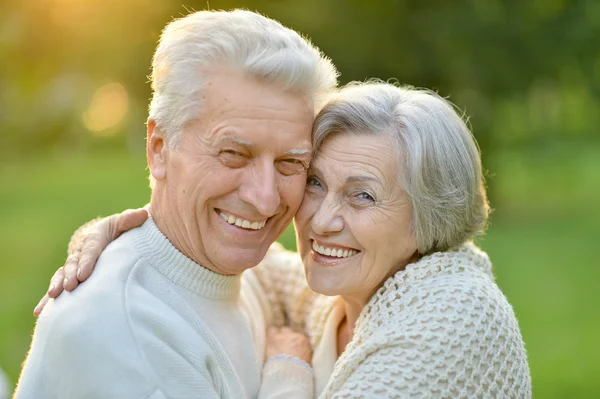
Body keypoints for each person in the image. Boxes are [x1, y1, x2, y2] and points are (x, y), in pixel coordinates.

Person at [37, 81, 532, 398]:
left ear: (430, 216)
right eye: (315, 182)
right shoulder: (353, 296)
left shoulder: (454, 318)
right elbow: (261, 267)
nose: (320, 221)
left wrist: (288, 368)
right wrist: (139, 229)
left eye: (361, 197)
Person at [15, 9, 338, 399]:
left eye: (291, 163)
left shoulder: (235, 270)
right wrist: (291, 377)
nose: (266, 198)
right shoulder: (124, 335)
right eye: (233, 154)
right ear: (159, 148)